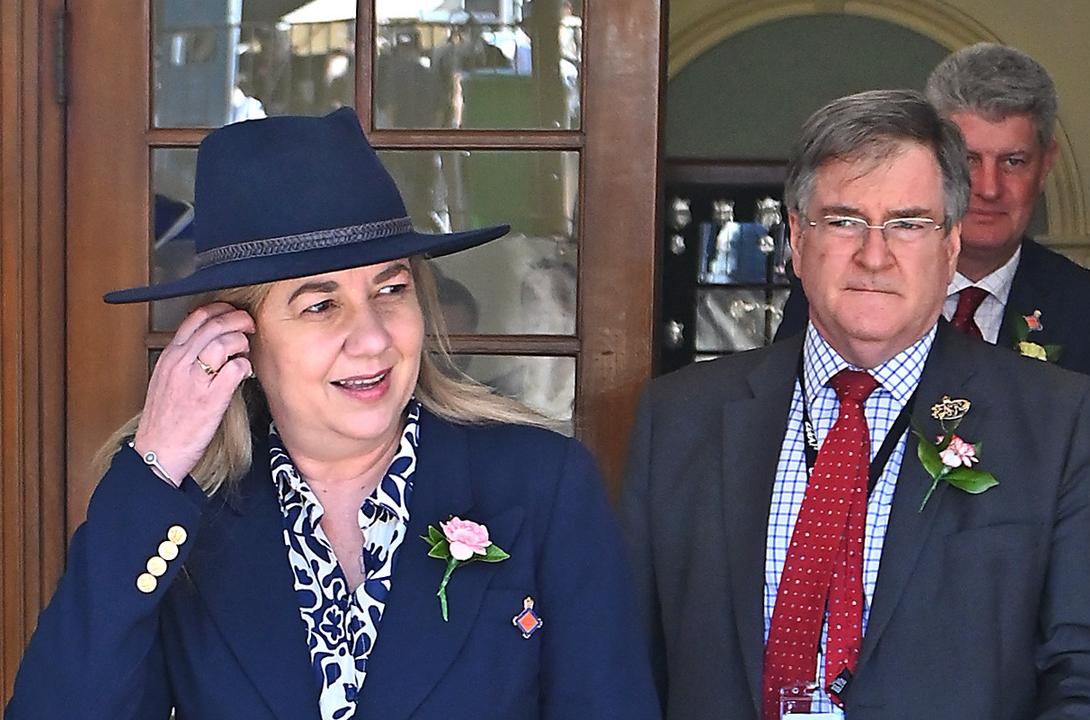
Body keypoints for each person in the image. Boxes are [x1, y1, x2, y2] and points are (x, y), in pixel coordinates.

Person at [6, 108, 659, 720]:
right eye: (321, 305)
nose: (373, 337)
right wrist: (154, 468)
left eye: (391, 289)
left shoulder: (540, 484)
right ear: (237, 334)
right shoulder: (184, 515)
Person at [623, 90, 1090, 719]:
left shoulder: (1058, 421)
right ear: (796, 238)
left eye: (907, 223)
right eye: (845, 219)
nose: (874, 256)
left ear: (951, 245)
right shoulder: (680, 417)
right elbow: (621, 661)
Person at [777, 43, 1090, 663]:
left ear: (1046, 164)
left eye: (1013, 160)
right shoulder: (837, 294)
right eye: (969, 159)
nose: (987, 187)